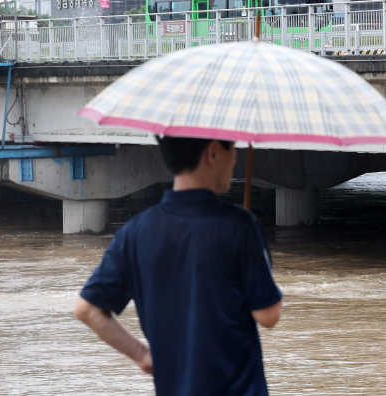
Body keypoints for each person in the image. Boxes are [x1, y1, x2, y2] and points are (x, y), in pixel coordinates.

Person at [74, 137, 283, 395]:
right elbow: (268, 315)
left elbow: (87, 309)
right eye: (234, 149)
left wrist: (141, 354)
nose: (236, 158)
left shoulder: (135, 232)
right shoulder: (241, 226)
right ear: (214, 152)